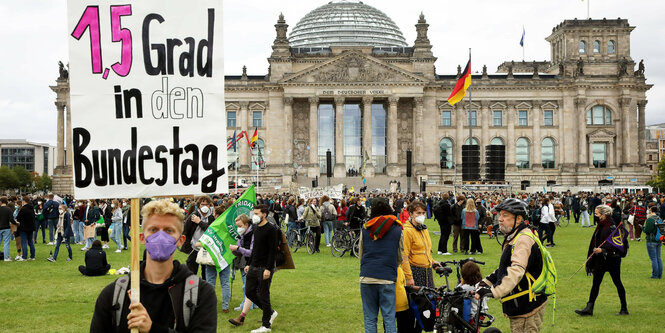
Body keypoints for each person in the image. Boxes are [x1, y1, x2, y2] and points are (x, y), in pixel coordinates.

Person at [90, 199, 217, 332]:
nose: (160, 236)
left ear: (180, 240)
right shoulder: (113, 294)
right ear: (142, 238)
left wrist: (152, 329)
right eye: (153, 229)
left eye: (168, 230)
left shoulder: (201, 294)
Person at [476, 198, 548, 333]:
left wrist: (494, 291)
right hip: (520, 304)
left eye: (505, 215)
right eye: (500, 215)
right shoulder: (514, 236)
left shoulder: (523, 239)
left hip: (527, 307)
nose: (500, 219)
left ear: (519, 219)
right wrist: (487, 282)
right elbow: (505, 267)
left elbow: (516, 271)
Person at [359, 198, 403, 333]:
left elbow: (361, 254)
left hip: (367, 276)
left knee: (370, 318)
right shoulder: (397, 229)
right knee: (389, 318)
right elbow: (400, 256)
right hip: (387, 277)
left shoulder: (366, 228)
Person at [575, 204, 629, 316]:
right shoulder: (601, 224)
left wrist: (603, 249)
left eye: (597, 213)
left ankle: (624, 308)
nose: (596, 215)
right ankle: (589, 308)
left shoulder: (611, 226)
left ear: (604, 214)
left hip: (612, 260)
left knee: (617, 283)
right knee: (595, 283)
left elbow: (617, 243)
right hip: (600, 260)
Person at [244, 204, 279, 333]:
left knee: (264, 295)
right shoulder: (255, 228)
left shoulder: (271, 229)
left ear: (264, 214)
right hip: (253, 266)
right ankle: (270, 312)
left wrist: (268, 269)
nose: (255, 216)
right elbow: (255, 249)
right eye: (254, 213)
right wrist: (248, 263)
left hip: (265, 267)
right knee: (249, 292)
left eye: (257, 213)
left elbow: (272, 251)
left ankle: (266, 326)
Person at [228, 214, 257, 326]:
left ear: (246, 224)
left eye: (239, 225)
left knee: (250, 287)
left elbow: (252, 252)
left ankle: (264, 312)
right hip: (247, 263)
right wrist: (234, 250)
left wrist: (238, 248)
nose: (238, 228)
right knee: (249, 287)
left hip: (256, 262)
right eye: (237, 226)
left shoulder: (254, 233)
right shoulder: (241, 235)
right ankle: (244, 312)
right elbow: (239, 252)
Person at [202, 205, 232, 313]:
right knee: (225, 283)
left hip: (213, 257)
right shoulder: (229, 227)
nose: (213, 215)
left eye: (214, 213)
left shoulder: (213, 226)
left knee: (210, 283)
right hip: (224, 258)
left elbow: (206, 240)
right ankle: (225, 306)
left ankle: (210, 306)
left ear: (217, 215)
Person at [181, 196, 214, 276]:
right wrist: (189, 247)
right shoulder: (194, 215)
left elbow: (211, 231)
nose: (205, 206)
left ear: (210, 205)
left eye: (207, 204)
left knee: (206, 274)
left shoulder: (212, 217)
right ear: (199, 205)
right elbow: (185, 232)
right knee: (191, 273)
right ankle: (192, 287)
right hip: (194, 248)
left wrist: (199, 222)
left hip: (207, 248)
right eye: (202, 204)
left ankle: (205, 288)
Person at [458, 261, 489, 326]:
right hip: (482, 313)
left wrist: (461, 283)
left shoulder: (465, 288)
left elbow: (456, 291)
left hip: (471, 315)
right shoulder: (482, 286)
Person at [643, 206, 662, 279]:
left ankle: (655, 275)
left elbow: (648, 230)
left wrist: (643, 228)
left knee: (653, 259)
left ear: (651, 210)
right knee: (658, 258)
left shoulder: (650, 219)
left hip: (651, 240)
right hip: (658, 239)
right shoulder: (659, 218)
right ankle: (659, 274)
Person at [0, 196, 16, 261]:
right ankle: (6, 258)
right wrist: (15, 223)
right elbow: (11, 219)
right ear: (6, 201)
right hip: (6, 227)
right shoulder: (8, 209)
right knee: (6, 243)